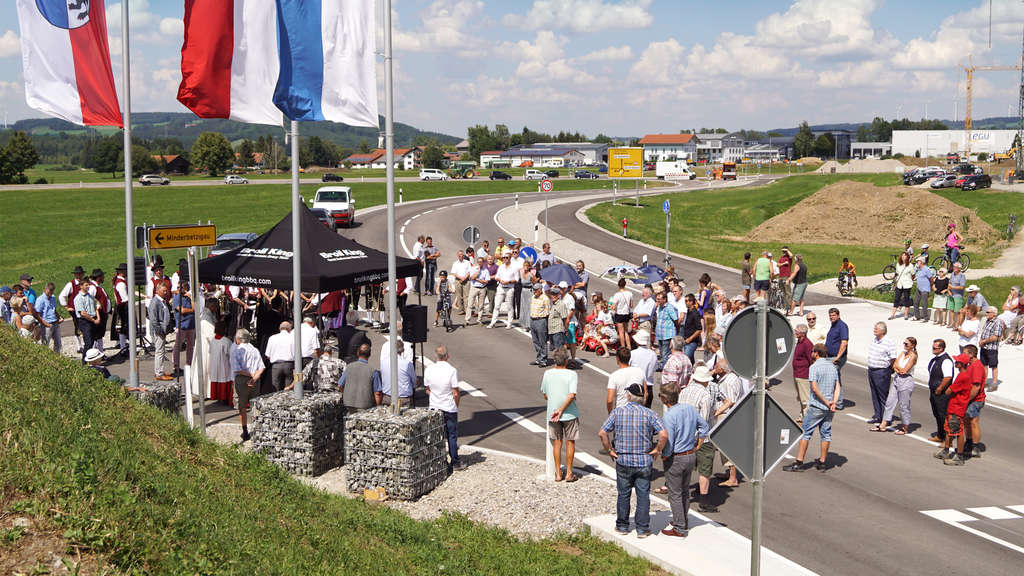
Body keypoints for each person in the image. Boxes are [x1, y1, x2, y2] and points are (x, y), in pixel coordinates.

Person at [599, 382, 667, 538]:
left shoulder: (618, 412)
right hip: (643, 460)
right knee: (643, 495)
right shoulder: (650, 414)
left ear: (629, 396)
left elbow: (602, 433)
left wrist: (610, 450)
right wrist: (658, 449)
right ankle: (642, 529)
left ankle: (622, 526)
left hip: (623, 459)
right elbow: (663, 434)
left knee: (623, 494)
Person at [659, 381, 709, 538]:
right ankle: (682, 520)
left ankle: (679, 527)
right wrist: (699, 442)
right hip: (690, 455)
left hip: (677, 458)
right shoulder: (690, 409)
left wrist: (664, 455)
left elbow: (669, 441)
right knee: (685, 491)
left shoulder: (669, 416)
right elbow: (704, 426)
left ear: (664, 398)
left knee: (674, 493)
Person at [784, 344, 840, 472]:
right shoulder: (833, 367)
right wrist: (834, 402)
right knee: (826, 434)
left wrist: (826, 402)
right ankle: (822, 462)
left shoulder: (814, 367)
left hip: (817, 406)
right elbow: (837, 387)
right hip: (830, 408)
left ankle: (799, 462)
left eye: (812, 352)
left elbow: (814, 388)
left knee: (805, 433)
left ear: (816, 353)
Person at [541, 348, 580, 482]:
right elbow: (572, 395)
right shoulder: (572, 374)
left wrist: (556, 408)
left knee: (557, 442)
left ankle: (558, 473)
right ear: (566, 360)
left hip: (552, 413)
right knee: (570, 441)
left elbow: (545, 394)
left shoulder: (547, 373)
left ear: (554, 360)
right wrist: (562, 409)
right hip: (570, 413)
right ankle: (569, 473)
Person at [426, 345, 465, 472]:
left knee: (436, 435)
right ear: (447, 356)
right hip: (448, 407)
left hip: (434, 407)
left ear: (436, 356)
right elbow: (456, 392)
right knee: (451, 436)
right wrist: (455, 405)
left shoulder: (429, 369)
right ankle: (455, 462)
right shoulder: (452, 370)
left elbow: (427, 389)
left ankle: (437, 462)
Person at [935, 354, 973, 465]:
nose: (955, 363)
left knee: (957, 432)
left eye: (957, 362)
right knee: (949, 429)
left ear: (962, 364)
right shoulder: (962, 375)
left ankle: (959, 456)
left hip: (957, 408)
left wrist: (944, 390)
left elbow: (949, 391)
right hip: (953, 407)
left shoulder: (963, 376)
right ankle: (946, 450)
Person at [876, 337, 917, 435]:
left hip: (906, 381)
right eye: (904, 343)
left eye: (906, 344)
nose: (904, 345)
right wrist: (898, 368)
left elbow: (905, 370)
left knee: (904, 405)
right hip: (897, 378)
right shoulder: (903, 353)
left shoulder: (913, 356)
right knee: (889, 402)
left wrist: (898, 368)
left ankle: (905, 426)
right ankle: (883, 424)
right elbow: (894, 365)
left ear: (912, 346)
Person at [231, 329, 265, 442]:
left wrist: (250, 375)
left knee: (242, 406)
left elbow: (237, 369)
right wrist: (255, 377)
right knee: (255, 404)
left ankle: (245, 430)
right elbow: (262, 367)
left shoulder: (236, 351)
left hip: (242, 380)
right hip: (255, 380)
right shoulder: (254, 350)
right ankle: (256, 427)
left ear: (238, 339)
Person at [338, 343, 382, 411]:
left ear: (358, 353)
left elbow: (340, 385)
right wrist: (378, 407)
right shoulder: (373, 371)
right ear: (369, 355)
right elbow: (377, 393)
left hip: (348, 404)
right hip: (365, 406)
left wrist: (347, 395)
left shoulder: (349, 367)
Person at [961, 344, 987, 459]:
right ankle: (969, 442)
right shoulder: (971, 365)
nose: (962, 355)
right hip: (971, 399)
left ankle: (975, 447)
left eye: (964, 353)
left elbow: (976, 387)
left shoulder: (976, 367)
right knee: (967, 421)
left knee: (973, 422)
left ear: (971, 354)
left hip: (975, 400)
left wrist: (967, 399)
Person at [927, 339, 953, 444]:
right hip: (933, 390)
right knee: (937, 414)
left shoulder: (946, 361)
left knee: (943, 415)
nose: (932, 349)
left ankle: (948, 439)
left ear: (941, 348)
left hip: (941, 393)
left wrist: (940, 388)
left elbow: (948, 377)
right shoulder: (935, 359)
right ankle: (940, 435)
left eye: (935, 348)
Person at [58, 265, 87, 352]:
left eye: (80, 274)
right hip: (75, 310)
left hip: (84, 309)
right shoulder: (71, 284)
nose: (79, 276)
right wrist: (67, 307)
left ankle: (86, 344)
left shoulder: (84, 283)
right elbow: (62, 296)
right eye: (77, 274)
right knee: (78, 327)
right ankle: (79, 346)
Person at [380, 339, 416, 409]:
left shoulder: (383, 362)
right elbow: (414, 381)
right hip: (404, 399)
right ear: (403, 350)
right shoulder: (407, 364)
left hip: (387, 397)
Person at [607, 347, 645, 412]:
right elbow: (646, 394)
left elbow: (610, 400)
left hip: (620, 411)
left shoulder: (614, 375)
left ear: (617, 358)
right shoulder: (640, 371)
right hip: (638, 410)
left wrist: (611, 414)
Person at [825, 308, 848, 407]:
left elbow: (844, 343)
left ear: (838, 315)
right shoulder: (833, 325)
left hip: (837, 357)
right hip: (830, 356)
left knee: (834, 379)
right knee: (833, 378)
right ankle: (834, 400)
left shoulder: (842, 326)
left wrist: (838, 357)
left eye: (833, 315)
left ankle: (838, 402)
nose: (831, 317)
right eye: (830, 315)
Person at [172, 282, 196, 377]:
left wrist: (191, 299)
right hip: (181, 325)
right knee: (178, 346)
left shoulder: (189, 298)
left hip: (191, 325)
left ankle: (189, 364)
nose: (178, 289)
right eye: (177, 287)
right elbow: (182, 310)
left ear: (185, 288)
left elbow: (195, 307)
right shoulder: (177, 298)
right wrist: (191, 310)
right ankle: (176, 366)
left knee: (190, 346)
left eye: (180, 287)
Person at [208, 320, 235, 406]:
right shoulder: (226, 341)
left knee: (216, 379)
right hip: (223, 364)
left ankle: (218, 397)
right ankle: (223, 398)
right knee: (224, 379)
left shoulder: (212, 340)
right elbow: (230, 353)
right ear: (225, 329)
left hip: (214, 364)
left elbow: (210, 351)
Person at [629, 330, 658, 408]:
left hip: (635, 386)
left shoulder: (633, 353)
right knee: (646, 412)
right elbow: (655, 368)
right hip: (648, 386)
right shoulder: (653, 354)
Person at [488, 253, 518, 329]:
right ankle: (492, 322)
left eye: (506, 257)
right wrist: (500, 280)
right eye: (504, 257)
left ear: (510, 258)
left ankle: (509, 323)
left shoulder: (514, 267)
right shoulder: (501, 267)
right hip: (501, 287)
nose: (505, 259)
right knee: (497, 306)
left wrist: (509, 282)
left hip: (509, 288)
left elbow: (517, 279)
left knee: (509, 307)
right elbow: (497, 276)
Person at [265, 321, 294, 392]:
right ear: (289, 329)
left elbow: (268, 355)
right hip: (289, 365)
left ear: (280, 328)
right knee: (289, 389)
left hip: (276, 366)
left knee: (275, 388)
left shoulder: (272, 338)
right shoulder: (293, 338)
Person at [792, 324, 813, 419]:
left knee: (805, 399)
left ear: (803, 333)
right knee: (800, 397)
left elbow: (811, 360)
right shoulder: (799, 342)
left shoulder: (807, 344)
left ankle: (807, 419)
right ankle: (802, 416)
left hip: (803, 375)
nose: (795, 332)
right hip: (797, 374)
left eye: (797, 331)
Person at [979, 306, 1003, 390]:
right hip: (984, 347)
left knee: (993, 366)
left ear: (994, 314)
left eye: (988, 312)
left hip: (992, 348)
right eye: (986, 312)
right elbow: (984, 332)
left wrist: (984, 341)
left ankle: (994, 383)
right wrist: (981, 341)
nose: (986, 314)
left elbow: (995, 337)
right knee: (984, 365)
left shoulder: (998, 322)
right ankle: (984, 381)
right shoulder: (987, 321)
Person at [34, 282, 63, 354]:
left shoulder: (53, 297)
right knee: (45, 343)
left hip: (55, 321)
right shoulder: (40, 299)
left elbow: (54, 309)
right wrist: (44, 323)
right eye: (50, 290)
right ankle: (45, 356)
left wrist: (59, 317)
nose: (51, 292)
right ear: (45, 289)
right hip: (46, 323)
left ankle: (57, 356)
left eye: (52, 290)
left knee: (58, 342)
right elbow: (37, 314)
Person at [654, 291, 678, 370]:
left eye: (659, 299)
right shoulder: (659, 307)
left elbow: (675, 319)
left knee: (665, 353)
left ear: (664, 299)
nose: (657, 301)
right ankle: (664, 366)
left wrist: (675, 332)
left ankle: (663, 367)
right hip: (660, 335)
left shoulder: (669, 308)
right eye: (657, 299)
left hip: (667, 335)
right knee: (662, 352)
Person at [529, 284, 551, 367]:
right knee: (535, 340)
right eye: (533, 290)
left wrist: (546, 323)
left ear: (540, 290)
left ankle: (543, 360)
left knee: (542, 341)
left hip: (541, 320)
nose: (534, 291)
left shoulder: (545, 299)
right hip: (533, 319)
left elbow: (548, 312)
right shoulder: (533, 297)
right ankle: (538, 358)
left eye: (536, 290)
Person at [110, 263, 130, 356]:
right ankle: (123, 348)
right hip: (123, 306)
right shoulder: (121, 283)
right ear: (122, 272)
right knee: (123, 327)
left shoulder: (121, 281)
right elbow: (125, 298)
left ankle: (123, 346)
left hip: (121, 306)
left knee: (123, 327)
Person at [890, 251, 914, 320]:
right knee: (896, 298)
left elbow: (913, 275)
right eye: (902, 255)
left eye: (905, 255)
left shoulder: (910, 266)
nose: (903, 257)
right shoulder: (898, 264)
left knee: (907, 299)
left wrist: (909, 280)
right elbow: (897, 273)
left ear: (907, 257)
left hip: (907, 284)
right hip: (899, 284)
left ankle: (906, 315)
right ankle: (892, 314)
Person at [547, 285, 569, 358]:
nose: (552, 296)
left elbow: (565, 319)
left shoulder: (561, 304)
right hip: (552, 330)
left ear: (559, 295)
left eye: (554, 294)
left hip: (558, 331)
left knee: (559, 349)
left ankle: (561, 362)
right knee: (554, 349)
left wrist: (566, 330)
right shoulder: (553, 304)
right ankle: (558, 361)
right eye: (551, 294)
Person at [466, 256, 489, 324]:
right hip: (474, 288)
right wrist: (478, 272)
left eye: (481, 262)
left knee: (481, 305)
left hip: (482, 288)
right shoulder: (473, 269)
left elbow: (486, 281)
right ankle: (467, 319)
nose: (479, 263)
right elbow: (471, 278)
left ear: (483, 263)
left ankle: (479, 319)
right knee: (470, 304)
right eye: (478, 262)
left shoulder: (486, 270)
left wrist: (477, 279)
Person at [912, 257, 934, 321]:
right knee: (916, 302)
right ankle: (917, 316)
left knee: (924, 303)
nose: (917, 263)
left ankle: (925, 317)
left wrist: (931, 286)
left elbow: (931, 278)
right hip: (919, 288)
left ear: (921, 262)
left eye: (918, 261)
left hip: (925, 289)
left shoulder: (926, 269)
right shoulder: (918, 269)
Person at [681, 294, 701, 363]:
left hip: (692, 341)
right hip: (686, 340)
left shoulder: (695, 313)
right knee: (690, 360)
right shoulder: (689, 311)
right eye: (685, 301)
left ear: (691, 302)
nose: (685, 303)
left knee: (686, 358)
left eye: (687, 301)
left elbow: (699, 329)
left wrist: (690, 339)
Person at [947, 262, 966, 329]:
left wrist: (952, 287)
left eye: (955, 267)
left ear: (959, 268)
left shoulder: (962, 276)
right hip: (951, 294)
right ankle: (952, 323)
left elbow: (962, 287)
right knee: (951, 309)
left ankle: (957, 325)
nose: (953, 268)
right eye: (953, 266)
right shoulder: (952, 274)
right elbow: (949, 283)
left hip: (958, 295)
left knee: (957, 311)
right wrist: (948, 291)